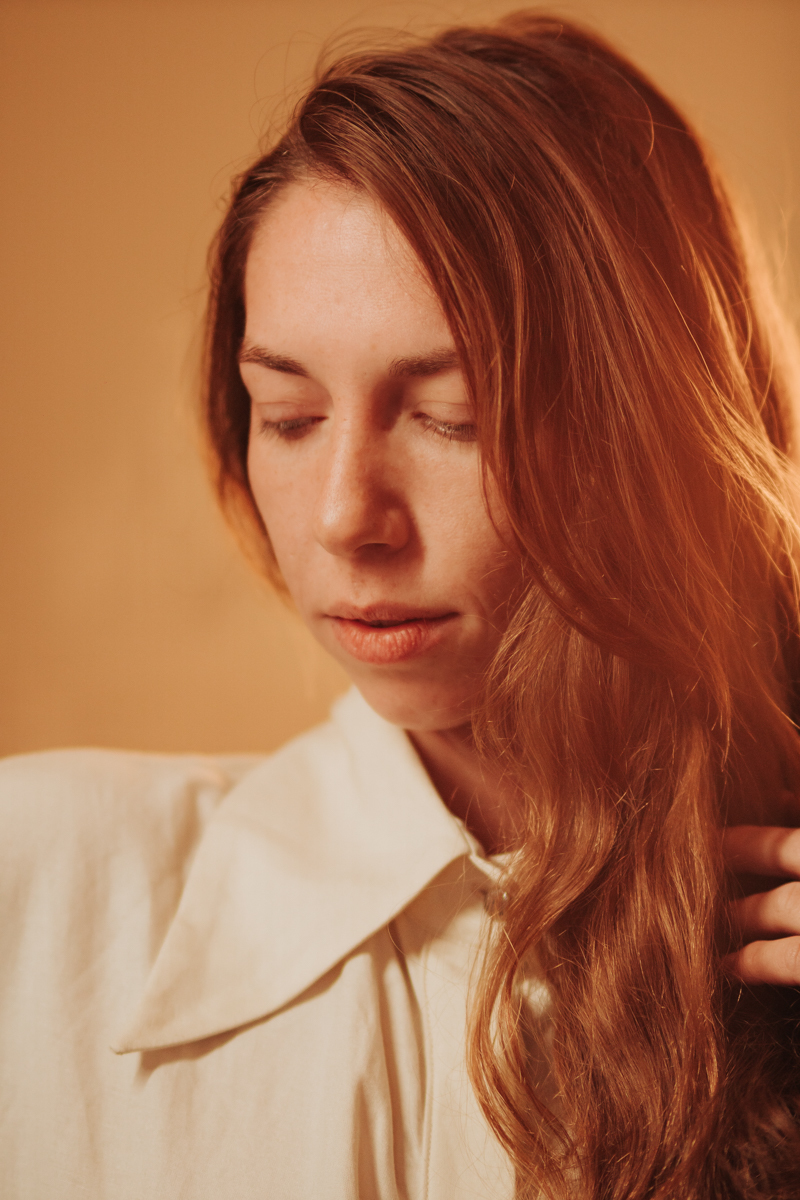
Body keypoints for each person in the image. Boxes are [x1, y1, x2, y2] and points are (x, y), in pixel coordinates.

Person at [2, 11, 800, 1199]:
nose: (343, 518)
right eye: (288, 417)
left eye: (449, 418)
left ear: (650, 434)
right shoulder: (41, 885)